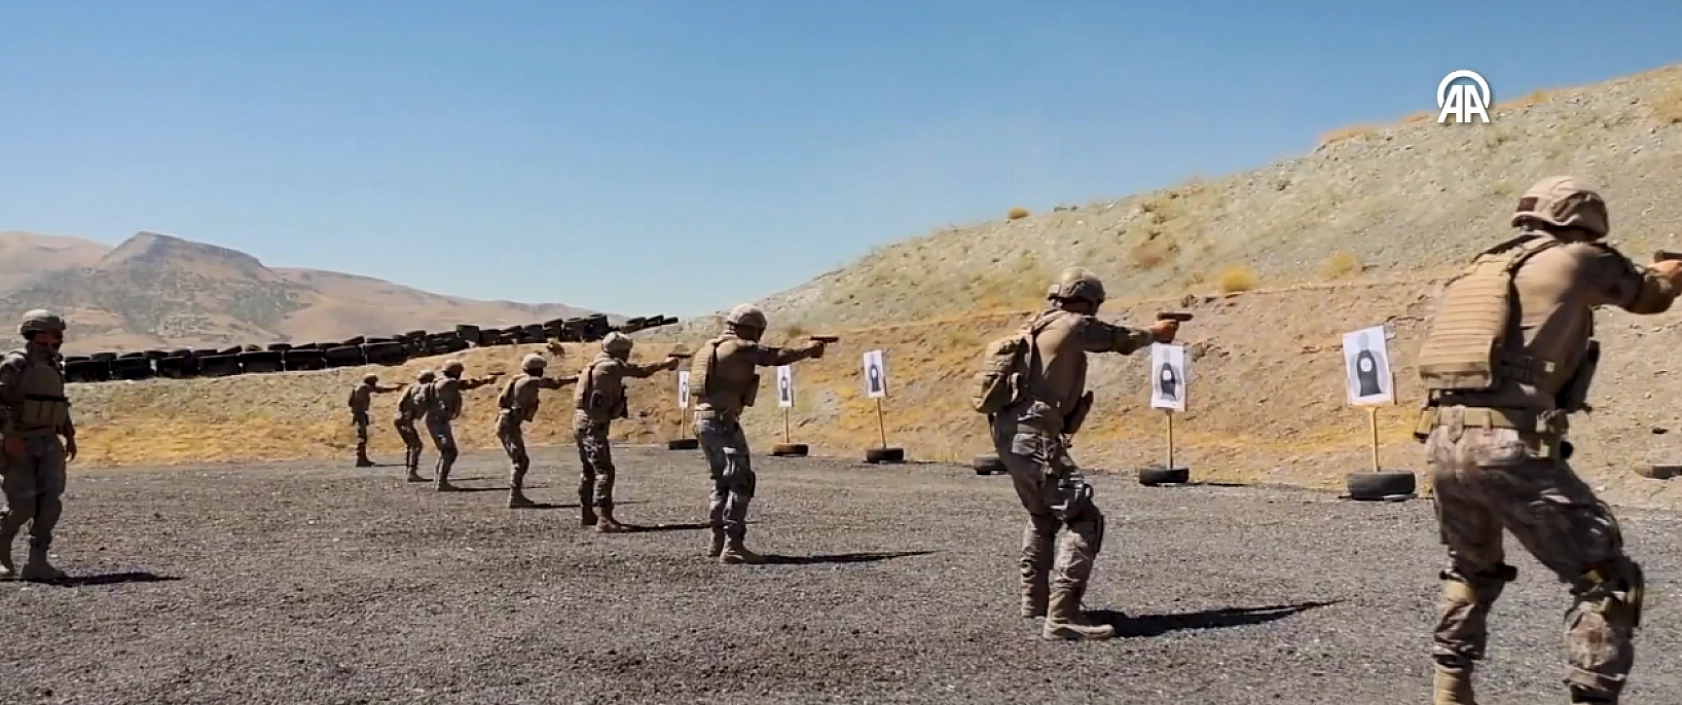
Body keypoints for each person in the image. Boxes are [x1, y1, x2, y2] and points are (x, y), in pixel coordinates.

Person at [1412, 176, 1682, 705]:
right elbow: (1650, 296)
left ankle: (1450, 691)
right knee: (1606, 579)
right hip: (1509, 444)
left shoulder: (1480, 267)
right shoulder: (1579, 258)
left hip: (1443, 441)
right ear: (1585, 221)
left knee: (1470, 569)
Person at [988, 268, 1177, 639]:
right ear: (1085, 300)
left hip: (1009, 435)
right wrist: (1157, 334)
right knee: (1084, 519)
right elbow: (1118, 339)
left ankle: (1036, 601)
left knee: (1042, 516)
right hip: (1036, 436)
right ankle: (1063, 615)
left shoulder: (1033, 326)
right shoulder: (1071, 326)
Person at [691, 304, 826, 563]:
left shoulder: (710, 347)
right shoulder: (740, 347)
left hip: (704, 420)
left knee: (721, 481)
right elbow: (776, 356)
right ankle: (733, 545)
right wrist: (808, 350)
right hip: (721, 421)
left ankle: (717, 541)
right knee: (741, 481)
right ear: (749, 328)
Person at [572, 332, 681, 530]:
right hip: (593, 424)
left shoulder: (593, 365)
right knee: (605, 471)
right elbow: (641, 371)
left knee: (589, 470)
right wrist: (665, 364)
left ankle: (587, 513)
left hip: (581, 421)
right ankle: (604, 519)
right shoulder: (611, 366)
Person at [0, 310, 77, 582]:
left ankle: (37, 562)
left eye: (58, 335)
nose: (57, 339)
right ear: (34, 333)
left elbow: (57, 401)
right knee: (22, 506)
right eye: (52, 333)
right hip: (20, 440)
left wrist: (69, 433)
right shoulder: (15, 364)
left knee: (50, 504)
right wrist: (9, 437)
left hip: (48, 440)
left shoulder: (55, 365)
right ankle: (2, 554)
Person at [497, 353, 577, 509]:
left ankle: (516, 496)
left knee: (520, 460)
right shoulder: (529, 381)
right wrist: (575, 378)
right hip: (509, 424)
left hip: (507, 422)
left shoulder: (519, 379)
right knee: (521, 461)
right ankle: (515, 497)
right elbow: (554, 383)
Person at [423, 359, 499, 491]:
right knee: (449, 451)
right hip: (438, 420)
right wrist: (486, 380)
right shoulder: (448, 382)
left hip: (438, 419)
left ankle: (440, 482)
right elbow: (466, 384)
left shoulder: (439, 381)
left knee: (446, 451)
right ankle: (441, 483)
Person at [347, 373, 401, 467]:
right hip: (360, 414)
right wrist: (394, 388)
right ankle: (361, 459)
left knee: (363, 436)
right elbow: (380, 390)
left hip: (359, 413)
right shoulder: (364, 387)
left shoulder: (361, 387)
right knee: (362, 436)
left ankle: (362, 458)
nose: (375, 384)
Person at [393, 369, 435, 482]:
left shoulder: (412, 387)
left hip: (400, 418)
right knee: (416, 445)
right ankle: (411, 472)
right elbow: (418, 401)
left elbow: (401, 402)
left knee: (411, 445)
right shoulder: (422, 388)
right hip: (405, 419)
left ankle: (409, 471)